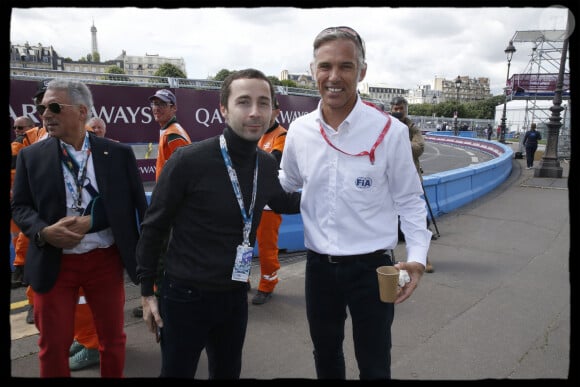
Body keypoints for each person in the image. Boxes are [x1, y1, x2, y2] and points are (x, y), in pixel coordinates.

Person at [278, 26, 431, 380]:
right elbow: (286, 184)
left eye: (345, 66)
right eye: (325, 66)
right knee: (326, 356)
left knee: (375, 362)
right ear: (313, 70)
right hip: (318, 267)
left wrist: (418, 259)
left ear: (362, 72)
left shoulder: (390, 131)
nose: (334, 77)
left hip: (373, 269)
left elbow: (410, 200)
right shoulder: (299, 132)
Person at [135, 68, 301, 379]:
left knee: (227, 373)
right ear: (223, 109)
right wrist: (147, 293)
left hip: (234, 295)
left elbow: (283, 202)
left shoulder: (265, 164)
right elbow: (154, 227)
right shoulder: (188, 161)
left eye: (263, 103)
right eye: (243, 102)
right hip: (185, 296)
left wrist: (334, 189)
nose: (255, 112)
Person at [11, 79, 148, 377]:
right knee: (52, 346)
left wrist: (95, 221)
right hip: (53, 262)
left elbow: (134, 207)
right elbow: (20, 207)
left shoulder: (118, 154)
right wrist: (43, 232)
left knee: (112, 341)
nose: (45, 114)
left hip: (105, 261)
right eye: (42, 108)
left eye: (55, 107)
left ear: (82, 111)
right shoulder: (30, 156)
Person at [132, 88, 192, 319]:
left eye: (162, 104)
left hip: (171, 207)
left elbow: (183, 175)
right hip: (169, 204)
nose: (156, 108)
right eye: (154, 104)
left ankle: (159, 300)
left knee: (160, 255)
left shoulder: (173, 134)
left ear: (174, 108)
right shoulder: (168, 131)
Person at [390, 96, 434, 273]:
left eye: (400, 108)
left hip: (409, 179)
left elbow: (419, 148)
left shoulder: (412, 128)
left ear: (406, 109)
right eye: (395, 108)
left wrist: (398, 140)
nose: (397, 111)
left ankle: (423, 258)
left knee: (418, 220)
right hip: (388, 179)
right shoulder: (384, 124)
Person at [252, 98, 288, 305]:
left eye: (269, 108)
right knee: (243, 245)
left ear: (276, 111)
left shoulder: (281, 134)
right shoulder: (254, 132)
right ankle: (241, 279)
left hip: (267, 203)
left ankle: (267, 285)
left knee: (267, 247)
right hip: (248, 199)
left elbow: (272, 161)